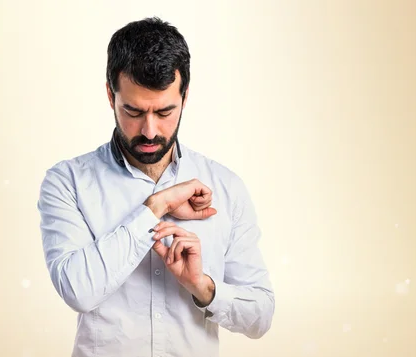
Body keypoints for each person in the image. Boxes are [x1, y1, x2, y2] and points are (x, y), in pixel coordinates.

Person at [37, 16, 275, 357]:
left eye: (165, 112)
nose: (149, 131)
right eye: (132, 110)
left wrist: (202, 287)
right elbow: (78, 290)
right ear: (110, 94)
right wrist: (156, 206)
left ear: (185, 96)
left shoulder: (225, 186)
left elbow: (260, 316)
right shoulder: (67, 183)